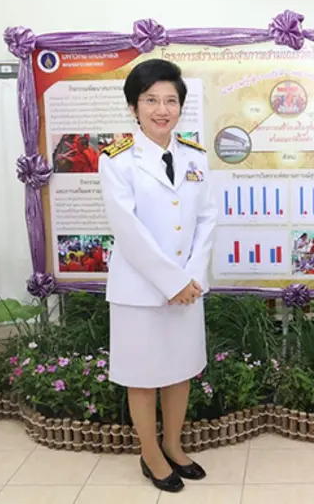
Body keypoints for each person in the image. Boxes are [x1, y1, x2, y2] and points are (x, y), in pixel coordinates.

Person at [98, 59, 217, 493]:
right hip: (139, 291)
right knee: (144, 376)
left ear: (180, 107)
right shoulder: (117, 161)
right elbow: (128, 230)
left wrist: (192, 277)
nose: (161, 109)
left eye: (170, 100)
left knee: (180, 370)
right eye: (151, 100)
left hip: (188, 288)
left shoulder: (195, 156)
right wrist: (172, 282)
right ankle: (150, 454)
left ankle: (173, 445)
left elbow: (207, 219)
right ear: (134, 106)